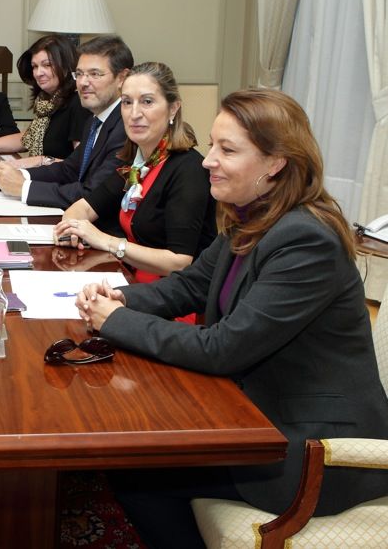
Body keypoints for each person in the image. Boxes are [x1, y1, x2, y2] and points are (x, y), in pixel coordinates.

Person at [76, 89, 388, 549]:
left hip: (313, 448)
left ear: (275, 163)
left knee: (137, 475)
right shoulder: (255, 215)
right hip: (260, 411)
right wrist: (118, 296)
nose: (208, 161)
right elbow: (190, 286)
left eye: (228, 150)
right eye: (214, 145)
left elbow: (223, 348)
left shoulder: (305, 239)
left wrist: (114, 321)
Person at [54, 62, 215, 302]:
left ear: (173, 109)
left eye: (147, 102)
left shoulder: (188, 170)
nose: (134, 113)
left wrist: (107, 241)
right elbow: (84, 207)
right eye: (127, 102)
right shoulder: (136, 164)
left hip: (174, 303)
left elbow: (180, 262)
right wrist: (71, 229)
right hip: (133, 284)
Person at [0, 34, 132, 208]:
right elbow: (69, 169)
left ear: (122, 78)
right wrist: (21, 175)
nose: (83, 83)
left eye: (94, 74)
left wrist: (24, 187)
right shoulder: (96, 120)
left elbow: (92, 194)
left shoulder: (128, 126)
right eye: (79, 74)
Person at [0, 34, 88, 165]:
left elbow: (80, 166)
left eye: (47, 65)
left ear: (66, 66)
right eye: (35, 66)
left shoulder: (79, 104)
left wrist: (39, 161)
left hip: (56, 184)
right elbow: (26, 139)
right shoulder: (46, 104)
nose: (38, 73)